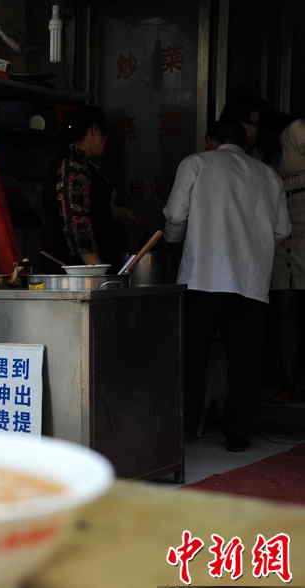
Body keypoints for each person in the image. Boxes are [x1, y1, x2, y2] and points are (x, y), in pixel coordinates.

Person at [163, 120, 291, 452]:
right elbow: (282, 231)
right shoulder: (268, 175)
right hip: (250, 282)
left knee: (193, 357)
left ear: (210, 140)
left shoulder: (196, 163)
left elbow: (175, 216)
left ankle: (186, 427)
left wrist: (176, 242)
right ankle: (238, 433)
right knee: (244, 361)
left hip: (202, 277)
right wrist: (253, 247)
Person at [43, 105, 134, 272]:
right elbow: (77, 221)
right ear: (93, 131)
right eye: (104, 136)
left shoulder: (84, 166)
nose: (105, 142)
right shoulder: (72, 167)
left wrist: (114, 211)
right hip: (76, 274)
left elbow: (89, 206)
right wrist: (97, 270)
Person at [269, 117, 305, 403]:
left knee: (288, 313)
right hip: (288, 238)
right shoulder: (296, 130)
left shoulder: (295, 131)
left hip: (290, 238)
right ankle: (289, 382)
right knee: (287, 312)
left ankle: (290, 382)